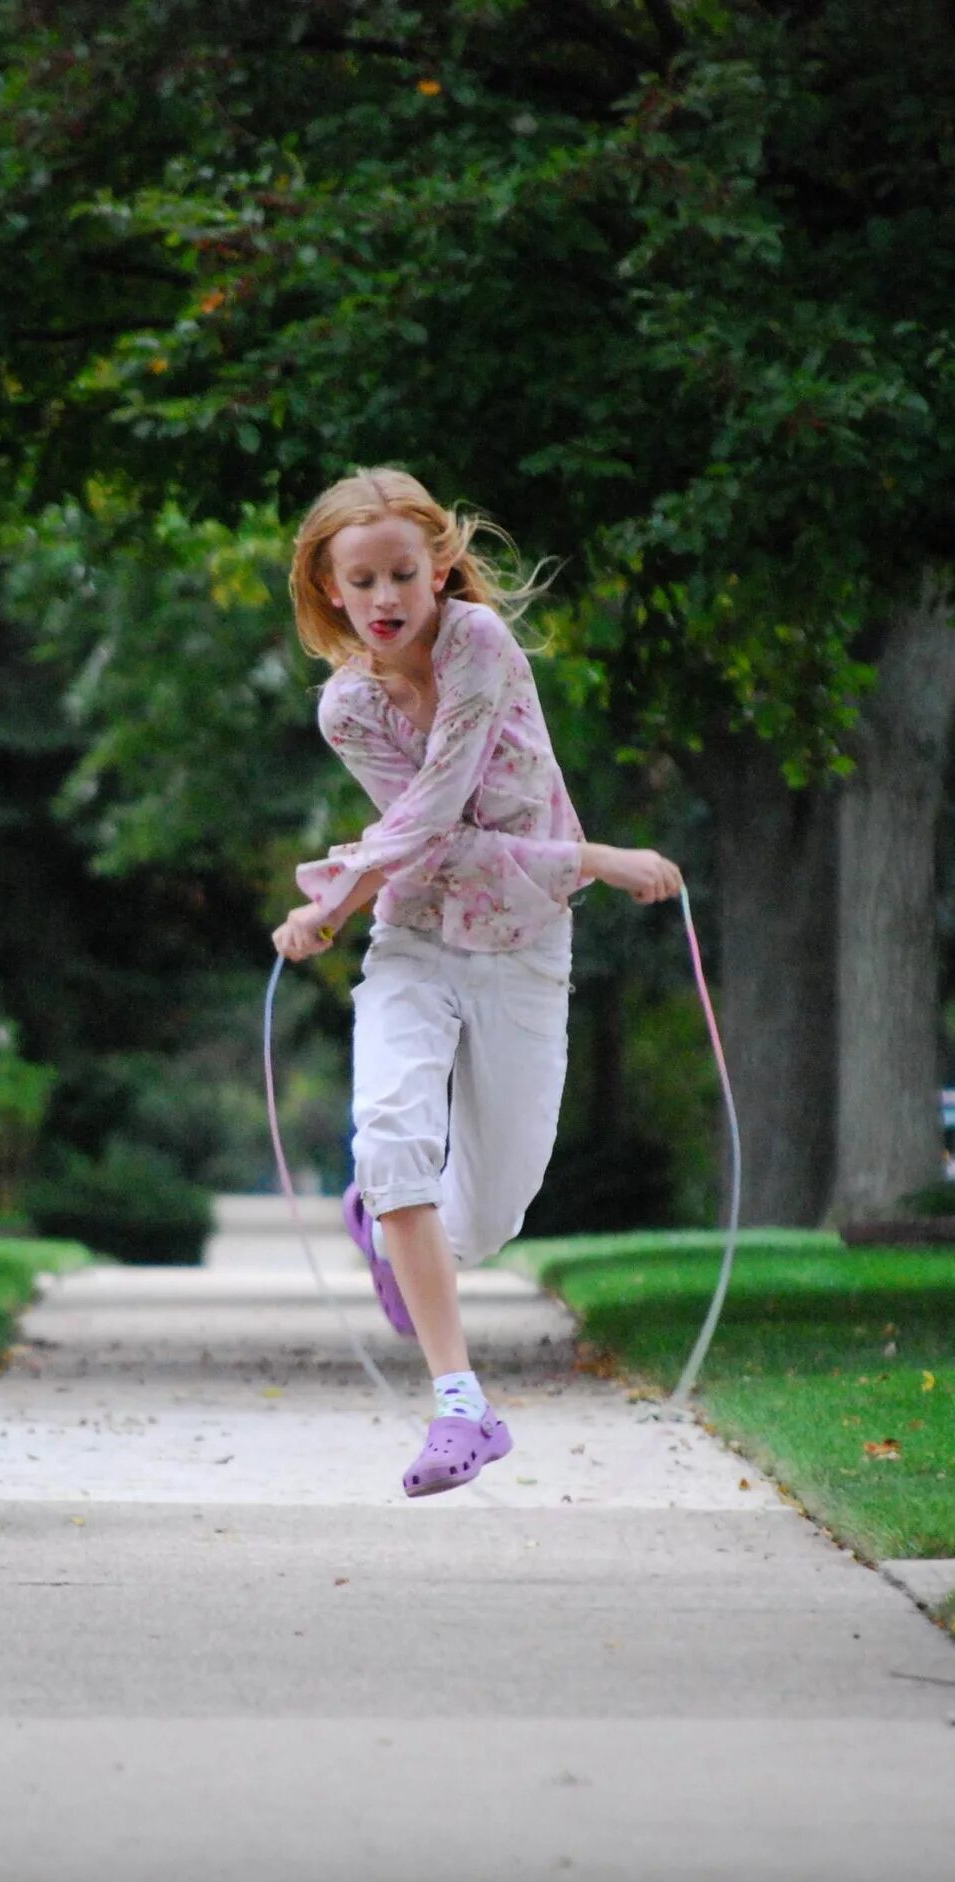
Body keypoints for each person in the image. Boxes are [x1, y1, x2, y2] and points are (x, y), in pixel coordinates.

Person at [271, 467, 684, 1497]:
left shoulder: (479, 647)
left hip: (524, 946)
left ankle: (387, 1218)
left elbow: (445, 804)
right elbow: (430, 840)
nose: (383, 599)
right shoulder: (348, 708)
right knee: (394, 1129)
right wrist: (351, 902)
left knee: (491, 1217)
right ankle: (461, 1404)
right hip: (415, 938)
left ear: (440, 567)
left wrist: (333, 891)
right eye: (359, 581)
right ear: (329, 591)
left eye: (402, 572)